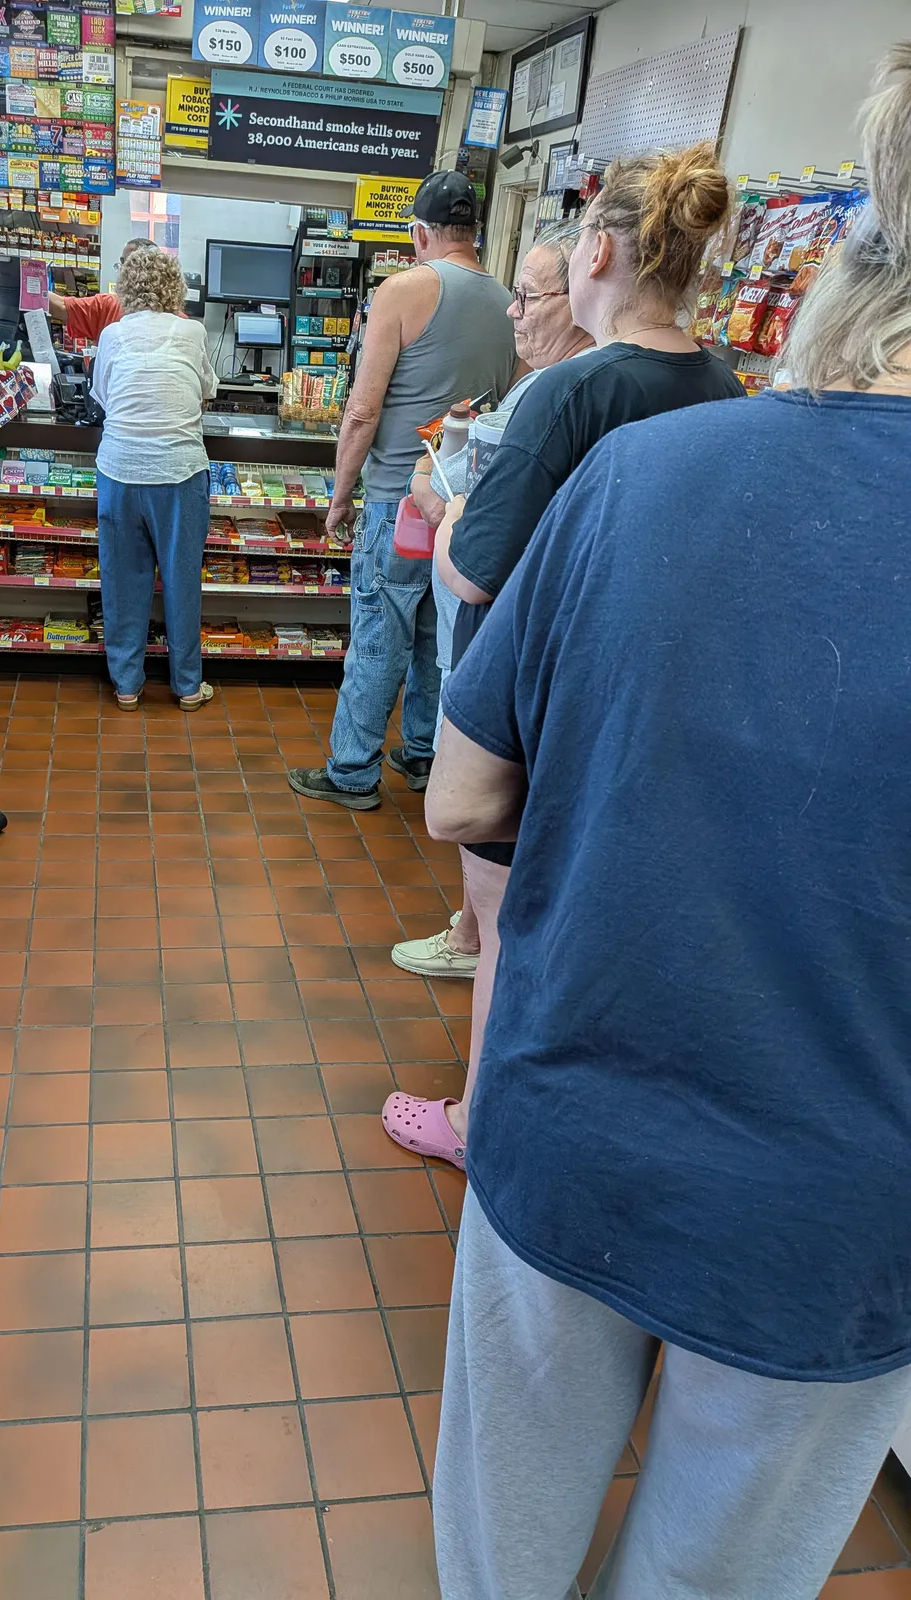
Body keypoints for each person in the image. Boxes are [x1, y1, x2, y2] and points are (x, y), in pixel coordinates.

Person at [429, 42, 911, 1600]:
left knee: (500, 1558)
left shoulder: (646, 471)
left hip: (572, 1116)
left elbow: (465, 791)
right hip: (840, 1220)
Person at [382, 141, 746, 1169]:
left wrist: (447, 506)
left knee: (500, 920)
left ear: (595, 251)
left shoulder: (568, 393)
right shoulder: (720, 382)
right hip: (646, 699)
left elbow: (477, 574)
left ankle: (480, 1123)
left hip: (536, 705)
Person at [390, 225, 595, 983]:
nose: (513, 312)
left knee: (474, 805)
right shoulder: (559, 384)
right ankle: (472, 926)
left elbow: (469, 551)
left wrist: (442, 502)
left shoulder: (554, 392)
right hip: (523, 642)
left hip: (494, 637)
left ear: (588, 287)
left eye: (530, 295)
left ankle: (476, 939)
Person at [287, 171, 517, 811]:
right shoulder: (510, 301)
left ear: (419, 232)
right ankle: (422, 754)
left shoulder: (403, 290)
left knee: (378, 634)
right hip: (465, 505)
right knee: (434, 639)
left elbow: (362, 411)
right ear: (473, 232)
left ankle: (351, 771)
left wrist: (339, 498)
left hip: (397, 500)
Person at [91, 245, 217, 712]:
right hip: (180, 471)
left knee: (123, 581)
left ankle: (127, 685)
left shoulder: (112, 335)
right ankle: (187, 686)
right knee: (182, 578)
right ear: (174, 287)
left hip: (120, 470)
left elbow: (103, 394)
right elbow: (206, 387)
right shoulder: (193, 331)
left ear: (125, 288)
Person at [48, 237, 159, 343]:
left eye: (127, 263)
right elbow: (62, 306)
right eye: (121, 263)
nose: (121, 269)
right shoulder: (107, 305)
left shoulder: (111, 305)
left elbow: (60, 307)